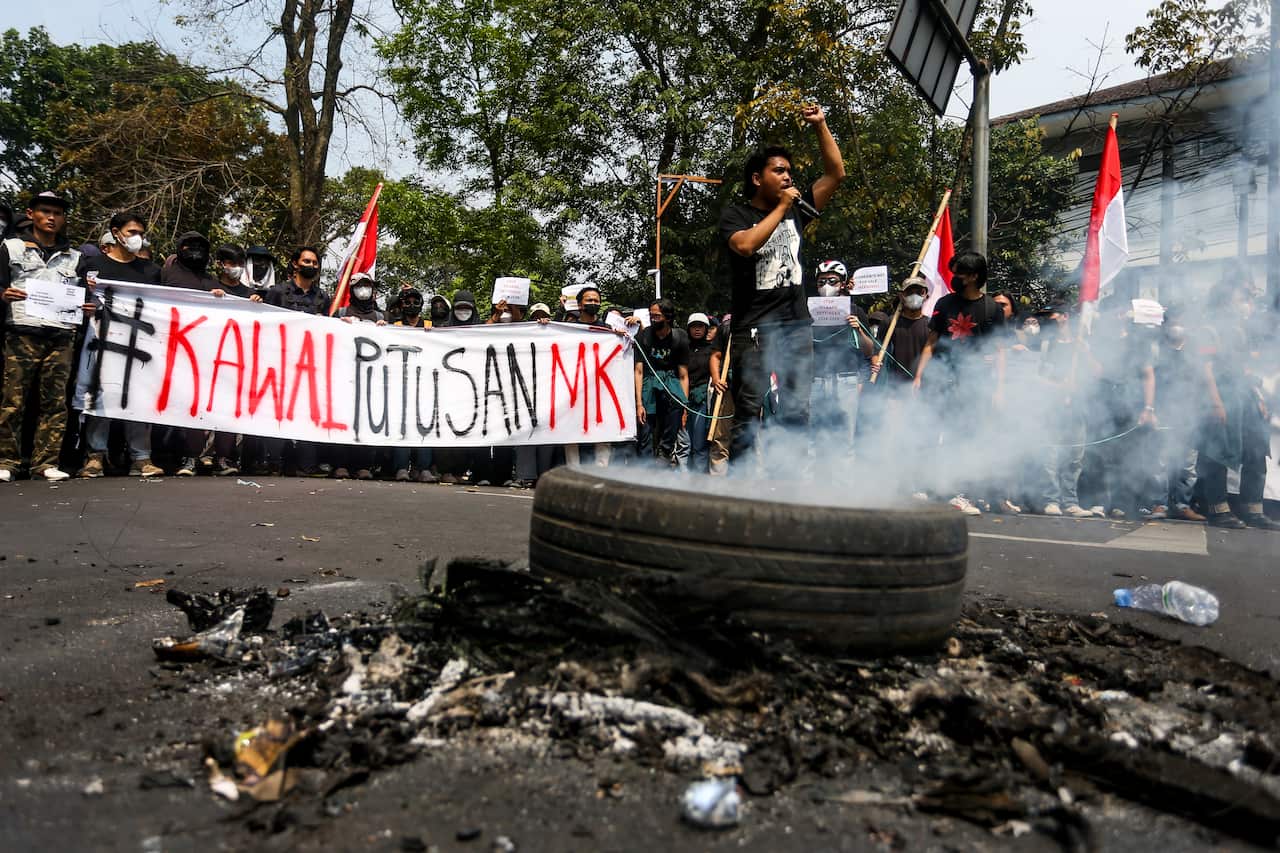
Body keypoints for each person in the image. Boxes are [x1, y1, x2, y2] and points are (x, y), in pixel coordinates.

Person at [719, 102, 845, 473]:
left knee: (797, 407)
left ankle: (788, 480)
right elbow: (745, 245)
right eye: (779, 171)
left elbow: (836, 173)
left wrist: (821, 125)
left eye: (789, 171)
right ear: (758, 178)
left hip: (795, 326)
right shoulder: (737, 215)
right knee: (749, 406)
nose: (788, 177)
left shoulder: (796, 207)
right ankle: (741, 484)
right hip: (755, 328)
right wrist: (782, 209)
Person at [0, 190, 92, 482]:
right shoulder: (10, 248)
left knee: (54, 401)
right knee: (13, 400)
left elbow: (84, 296)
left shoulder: (75, 257)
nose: (51, 218)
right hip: (21, 333)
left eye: (58, 213)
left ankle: (45, 462)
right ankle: (7, 461)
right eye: (45, 211)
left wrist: (87, 306)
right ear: (31, 214)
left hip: (61, 335)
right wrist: (2, 293)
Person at [911, 250, 1007, 515]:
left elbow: (1000, 350)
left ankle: (960, 493)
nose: (955, 277)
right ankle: (928, 485)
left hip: (973, 385)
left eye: (960, 273)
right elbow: (931, 342)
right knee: (931, 433)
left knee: (964, 436)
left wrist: (998, 388)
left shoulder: (991, 309)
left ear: (974, 276)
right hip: (940, 380)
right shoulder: (945, 304)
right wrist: (919, 376)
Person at [76, 211, 165, 478]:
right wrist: (84, 307)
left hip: (140, 343)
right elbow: (74, 299)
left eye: (140, 233)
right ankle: (95, 456)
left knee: (139, 396)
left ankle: (141, 457)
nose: (137, 238)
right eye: (131, 232)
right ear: (115, 233)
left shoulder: (151, 271)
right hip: (101, 341)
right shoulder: (92, 266)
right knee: (100, 393)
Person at [1198, 279, 1279, 529]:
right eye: (1244, 297)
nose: (1249, 304)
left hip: (1245, 395)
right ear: (1225, 299)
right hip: (1221, 395)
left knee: (1256, 450)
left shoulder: (1242, 330)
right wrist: (1215, 402)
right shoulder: (1209, 328)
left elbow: (1244, 368)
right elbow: (1205, 368)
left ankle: (1252, 509)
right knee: (1217, 453)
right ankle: (1217, 508)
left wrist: (1257, 396)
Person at [261, 247, 330, 476]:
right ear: (295, 264)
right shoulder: (277, 293)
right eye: (306, 261)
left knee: (307, 413)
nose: (310, 265)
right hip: (280, 363)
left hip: (310, 367)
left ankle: (306, 465)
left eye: (314, 262)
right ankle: (274, 463)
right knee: (277, 412)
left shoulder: (323, 298)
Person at [810, 259, 872, 452]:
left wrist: (858, 329)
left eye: (832, 281)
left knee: (846, 435)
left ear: (843, 284)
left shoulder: (855, 311)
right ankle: (813, 478)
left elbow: (869, 350)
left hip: (846, 379)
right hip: (817, 379)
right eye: (821, 282)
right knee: (814, 433)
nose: (826, 286)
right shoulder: (810, 310)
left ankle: (843, 481)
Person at [1154, 314, 1205, 522]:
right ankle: (1159, 504)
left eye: (1180, 322)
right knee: (1161, 462)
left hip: (1189, 414)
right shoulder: (1158, 353)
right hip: (1165, 412)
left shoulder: (1194, 354)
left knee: (1187, 464)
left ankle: (1183, 505)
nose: (1176, 327)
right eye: (1173, 323)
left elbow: (1202, 384)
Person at [633, 298, 690, 465]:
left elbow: (683, 375)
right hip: (649, 381)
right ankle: (645, 468)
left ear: (668, 317)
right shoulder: (644, 336)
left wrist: (684, 407)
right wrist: (639, 404)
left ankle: (664, 456)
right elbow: (638, 370)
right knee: (646, 431)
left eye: (657, 316)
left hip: (670, 380)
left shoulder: (680, 338)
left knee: (673, 417)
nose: (653, 319)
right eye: (651, 315)